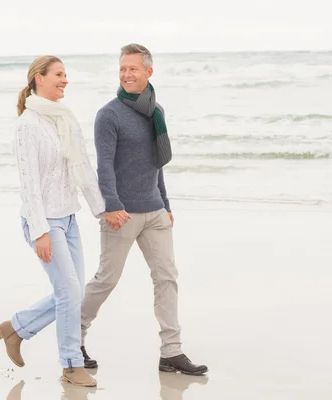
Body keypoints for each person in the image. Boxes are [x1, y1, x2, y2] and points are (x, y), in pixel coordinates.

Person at [80, 44, 208, 376]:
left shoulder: (156, 111)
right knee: (106, 280)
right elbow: (104, 168)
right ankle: (73, 338)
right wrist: (113, 206)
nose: (126, 74)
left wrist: (165, 205)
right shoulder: (109, 115)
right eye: (122, 69)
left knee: (167, 278)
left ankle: (171, 353)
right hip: (121, 214)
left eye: (133, 69)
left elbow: (157, 164)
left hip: (154, 212)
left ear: (149, 72)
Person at [0, 55, 114, 387]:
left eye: (66, 75)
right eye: (59, 75)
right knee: (68, 291)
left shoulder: (66, 119)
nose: (65, 80)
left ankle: (16, 328)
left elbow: (84, 169)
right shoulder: (27, 125)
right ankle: (72, 365)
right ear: (39, 79)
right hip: (44, 222)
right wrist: (40, 231)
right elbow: (29, 184)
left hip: (69, 219)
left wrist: (102, 210)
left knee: (72, 293)